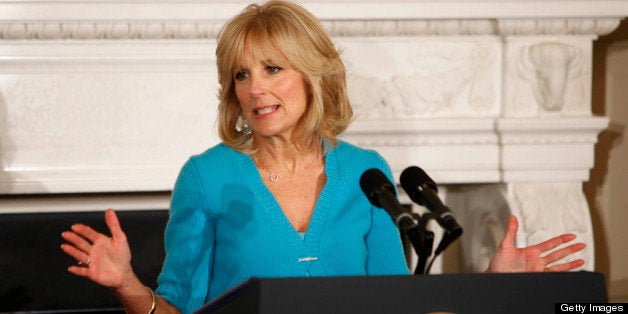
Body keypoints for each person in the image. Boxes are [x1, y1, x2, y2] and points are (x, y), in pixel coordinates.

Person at [60, 1, 586, 313]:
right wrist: (129, 287)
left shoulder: (366, 171)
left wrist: (490, 290)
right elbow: (178, 310)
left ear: (313, 75)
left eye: (272, 69)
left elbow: (398, 306)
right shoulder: (207, 177)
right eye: (241, 75)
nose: (255, 90)